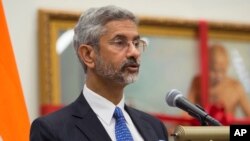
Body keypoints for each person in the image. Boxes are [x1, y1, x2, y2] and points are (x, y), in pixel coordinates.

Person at [30, 5, 168, 141]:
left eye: (136, 43)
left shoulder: (155, 127)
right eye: (120, 42)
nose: (134, 52)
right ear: (88, 55)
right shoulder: (52, 130)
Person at [185, 43, 250, 121]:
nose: (218, 75)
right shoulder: (197, 82)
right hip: (202, 132)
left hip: (226, 132)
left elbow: (248, 117)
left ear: (227, 65)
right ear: (205, 66)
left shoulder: (235, 86)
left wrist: (232, 121)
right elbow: (185, 111)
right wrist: (175, 127)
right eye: (213, 70)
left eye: (222, 70)